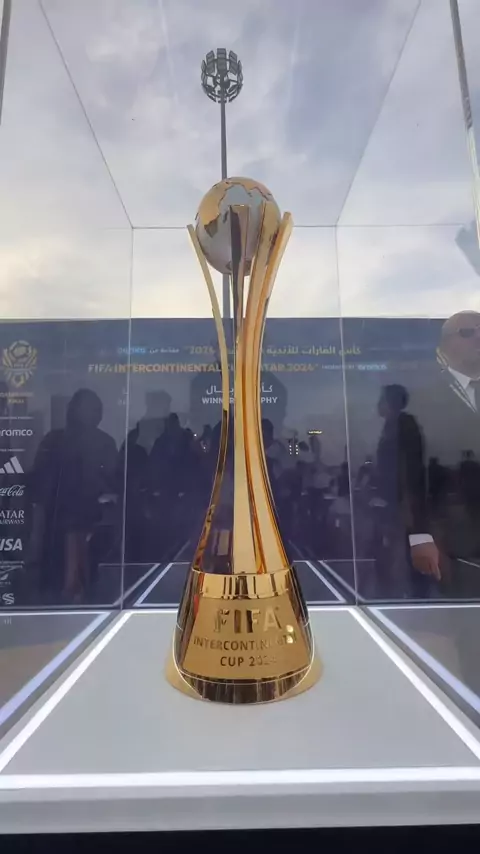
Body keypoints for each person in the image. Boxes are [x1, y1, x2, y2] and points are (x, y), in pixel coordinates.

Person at [32, 389, 117, 601]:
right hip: (57, 524)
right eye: (89, 409)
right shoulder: (54, 440)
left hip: (88, 524)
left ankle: (75, 588)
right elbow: (40, 485)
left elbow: (113, 482)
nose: (95, 414)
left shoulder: (103, 442)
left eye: (96, 409)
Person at [371, 384, 440, 598]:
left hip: (405, 503)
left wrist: (407, 504)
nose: (378, 405)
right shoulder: (392, 427)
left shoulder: (404, 425)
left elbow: (408, 468)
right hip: (396, 502)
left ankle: (417, 597)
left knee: (408, 550)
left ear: (390, 403)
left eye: (381, 400)